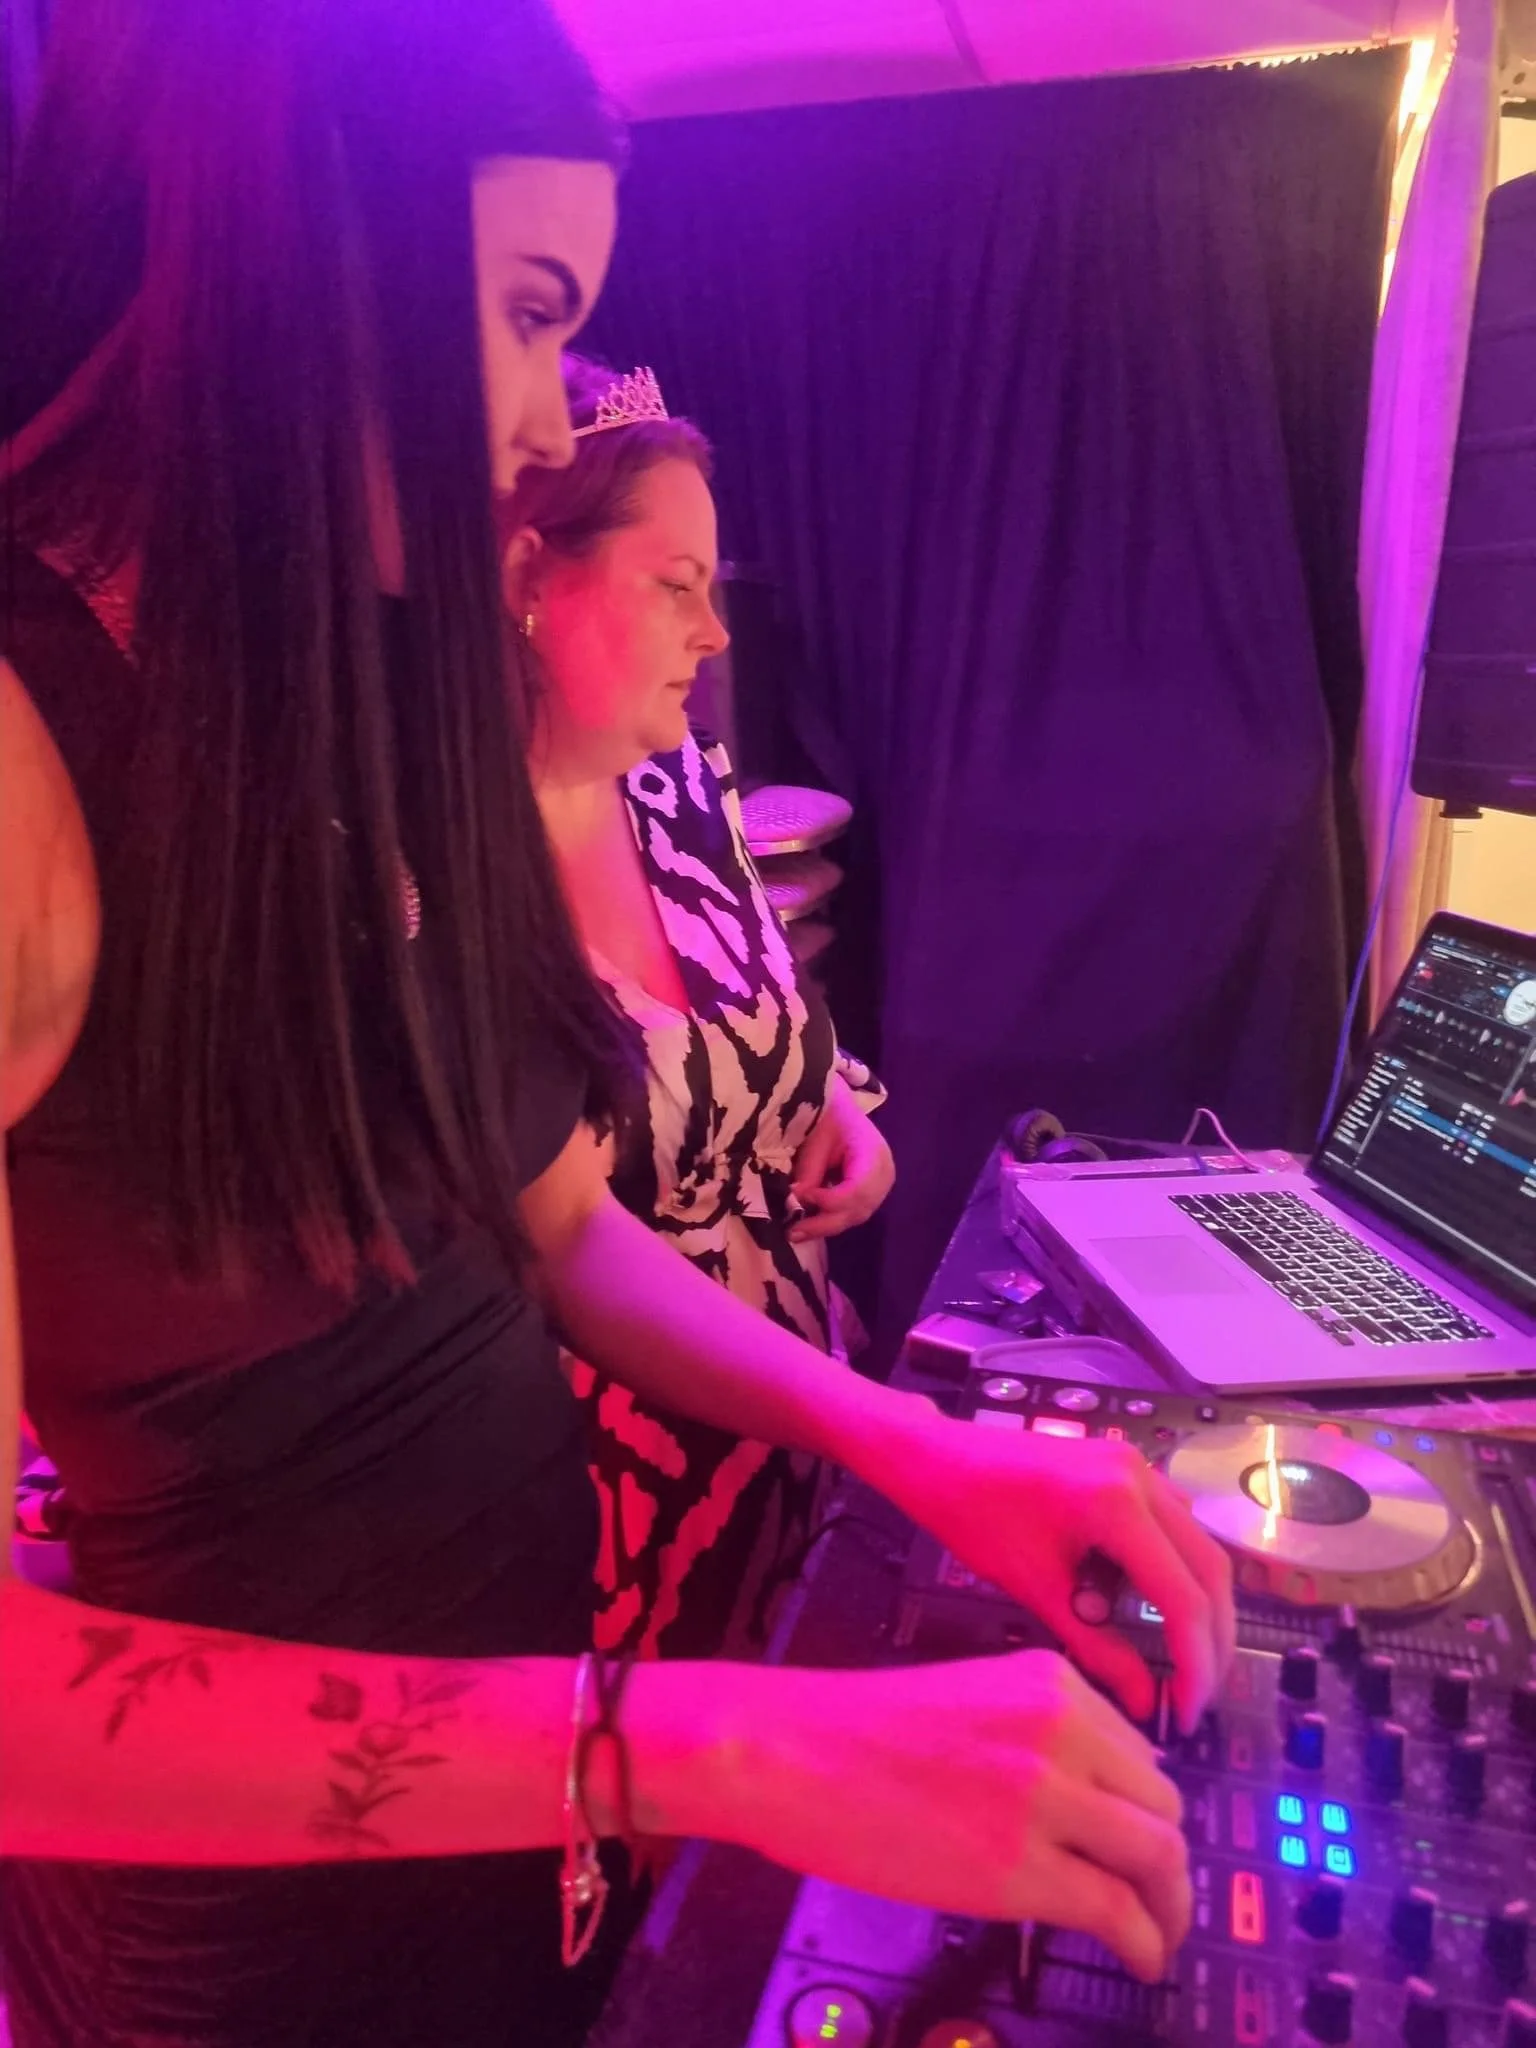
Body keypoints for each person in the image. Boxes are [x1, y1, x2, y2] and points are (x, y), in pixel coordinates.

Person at [0, 3, 1235, 2042]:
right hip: (252, 1955)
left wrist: (935, 1457)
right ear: (297, 241)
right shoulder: (31, 763)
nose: (536, 424)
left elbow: (558, 1229)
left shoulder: (344, 694)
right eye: (514, 309)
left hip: (519, 1837)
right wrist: (695, 1742)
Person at [503, 356, 894, 1659]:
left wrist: (832, 1100)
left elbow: (760, 999)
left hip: (797, 1417)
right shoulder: (436, 868)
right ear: (523, 585)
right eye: (676, 589)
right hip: (608, 1505)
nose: (715, 632)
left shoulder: (677, 785)